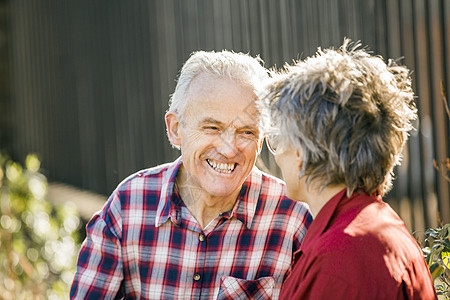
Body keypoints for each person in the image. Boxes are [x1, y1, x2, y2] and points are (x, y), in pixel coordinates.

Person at [70, 50, 312, 299]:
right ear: (175, 129)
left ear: (261, 139)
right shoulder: (128, 206)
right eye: (212, 128)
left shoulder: (291, 219)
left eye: (247, 132)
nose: (229, 149)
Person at [262, 40, 437, 299]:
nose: (278, 155)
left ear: (301, 151)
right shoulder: (376, 227)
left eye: (279, 139)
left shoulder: (339, 260)